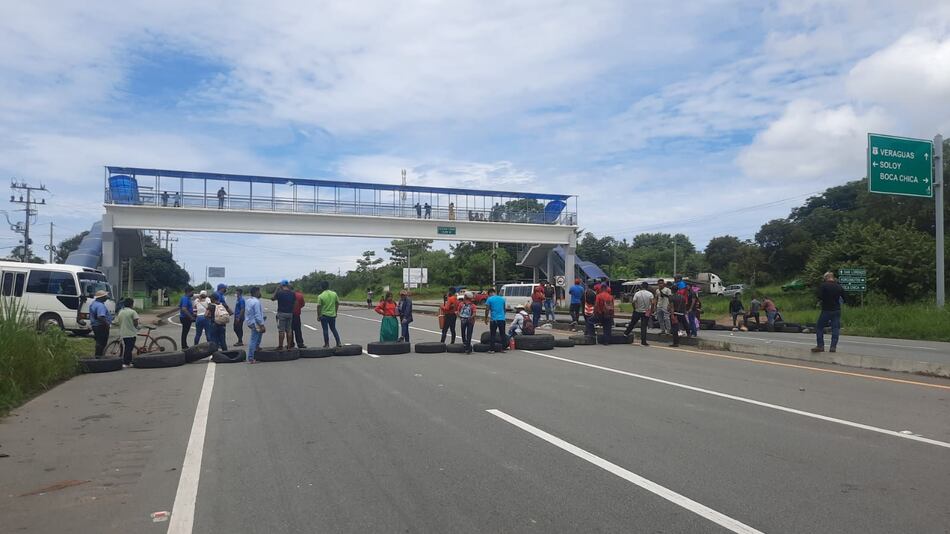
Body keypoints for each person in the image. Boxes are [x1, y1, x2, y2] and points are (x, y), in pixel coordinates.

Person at [813, 272, 846, 353]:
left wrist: (823, 300)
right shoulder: (838, 286)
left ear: (826, 278)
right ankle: (833, 347)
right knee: (835, 328)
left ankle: (820, 346)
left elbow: (819, 296)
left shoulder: (823, 286)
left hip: (826, 310)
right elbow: (844, 297)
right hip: (837, 310)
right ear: (833, 277)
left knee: (819, 327)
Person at [113, 297, 139, 366]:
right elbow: (136, 322)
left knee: (128, 347)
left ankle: (130, 361)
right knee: (129, 348)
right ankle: (126, 362)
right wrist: (136, 327)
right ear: (132, 304)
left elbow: (117, 321)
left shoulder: (121, 311)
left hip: (123, 333)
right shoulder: (132, 312)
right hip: (131, 333)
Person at [271, 280, 296, 350]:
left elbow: (272, 298)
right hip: (290, 313)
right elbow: (295, 303)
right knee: (289, 330)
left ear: (281, 285)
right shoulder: (292, 293)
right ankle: (289, 346)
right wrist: (291, 310)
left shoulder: (279, 293)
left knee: (281, 331)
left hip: (281, 313)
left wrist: (276, 289)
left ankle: (280, 346)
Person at [316, 281, 342, 347]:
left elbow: (318, 306)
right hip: (332, 315)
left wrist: (318, 315)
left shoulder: (320, 296)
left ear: (322, 287)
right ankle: (338, 342)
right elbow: (337, 303)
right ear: (328, 286)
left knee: (325, 330)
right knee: (333, 329)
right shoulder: (334, 294)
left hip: (324, 315)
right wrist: (335, 312)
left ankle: (327, 344)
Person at [244, 286, 265, 364]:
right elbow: (257, 315)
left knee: (257, 337)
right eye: (259, 292)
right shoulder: (256, 302)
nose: (260, 293)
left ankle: (256, 350)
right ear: (256, 292)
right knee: (253, 340)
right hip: (256, 322)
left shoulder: (248, 300)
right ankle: (250, 358)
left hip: (250, 321)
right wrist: (262, 325)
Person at [484, 288, 507, 353]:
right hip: (502, 319)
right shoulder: (502, 299)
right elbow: (504, 309)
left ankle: (492, 349)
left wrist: (486, 318)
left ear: (490, 293)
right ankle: (503, 349)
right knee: (502, 334)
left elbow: (487, 309)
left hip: (494, 320)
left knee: (493, 334)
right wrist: (502, 316)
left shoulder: (489, 299)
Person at [213, 283, 232, 350]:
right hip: (219, 316)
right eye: (225, 288)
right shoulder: (219, 295)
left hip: (217, 316)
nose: (226, 289)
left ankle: (219, 345)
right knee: (221, 333)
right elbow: (221, 304)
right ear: (221, 288)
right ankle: (221, 346)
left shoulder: (218, 294)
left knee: (217, 334)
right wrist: (229, 311)